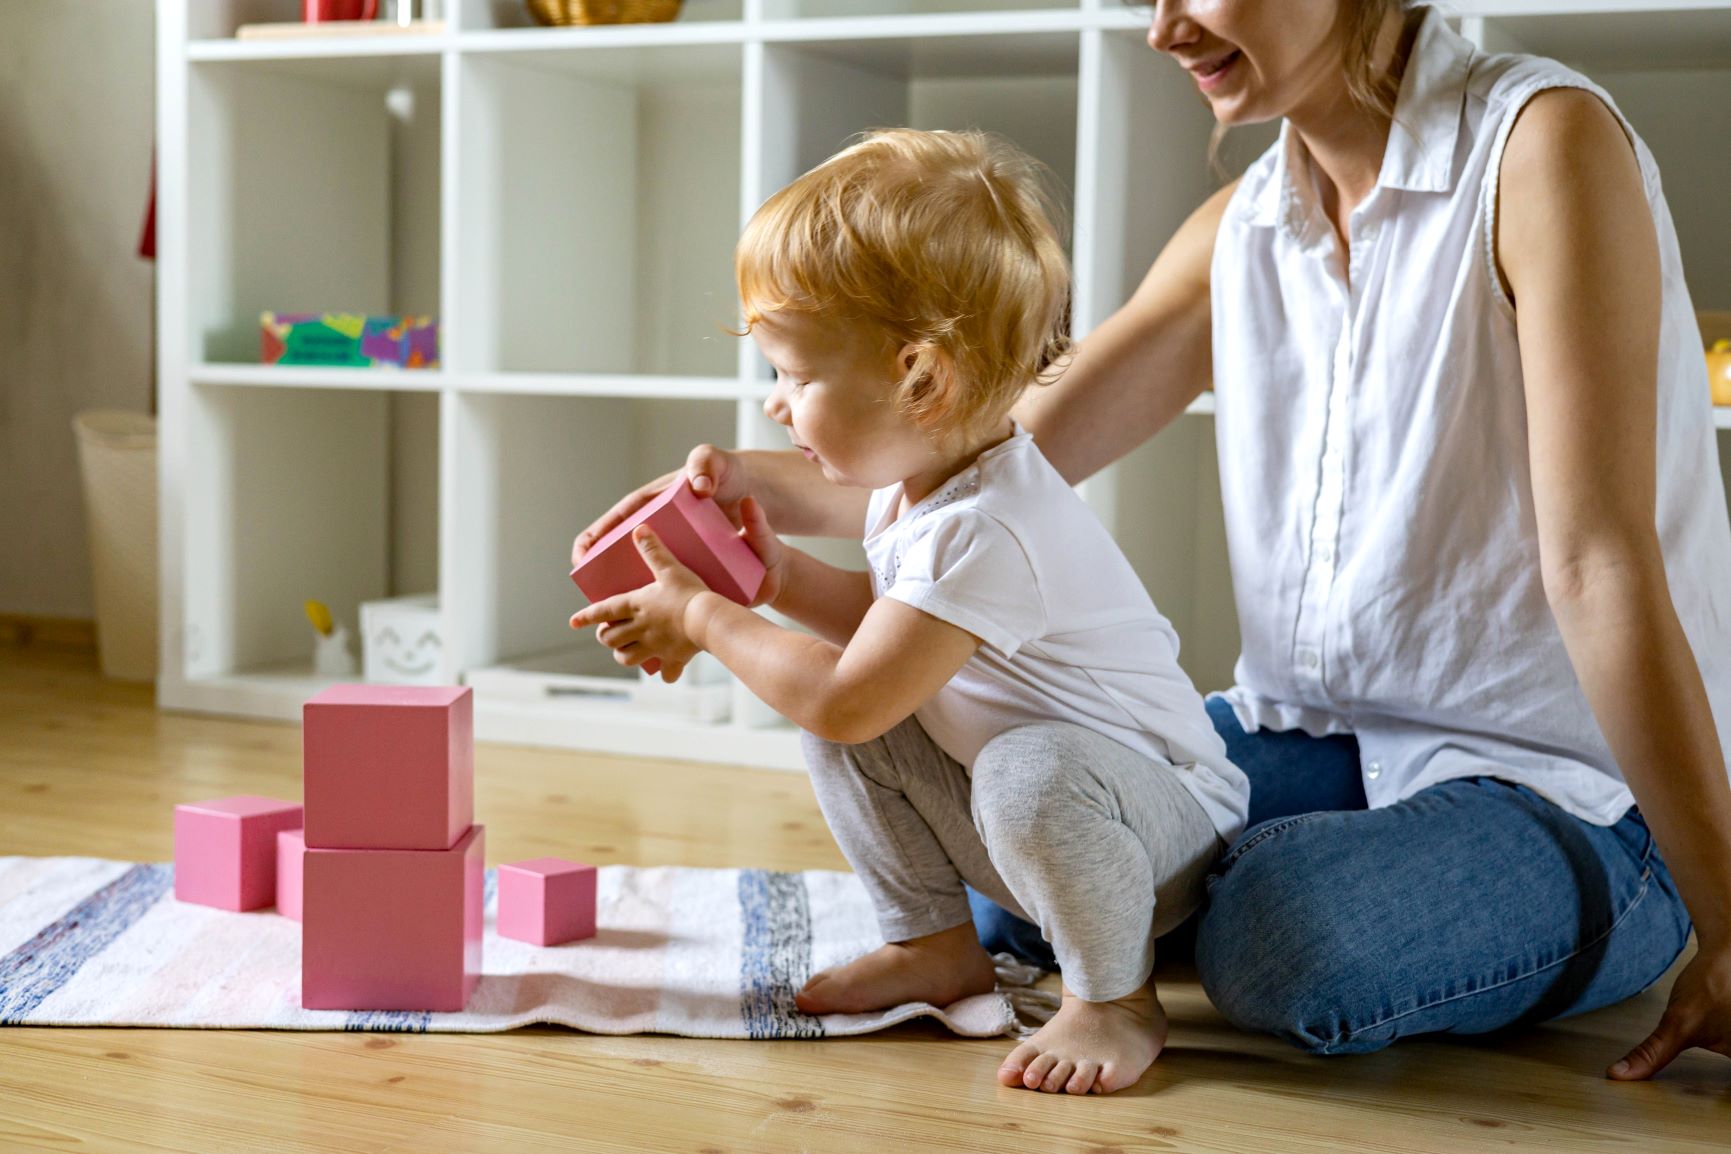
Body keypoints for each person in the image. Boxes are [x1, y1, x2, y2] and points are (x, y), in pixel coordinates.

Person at [576, 2, 1731, 1079]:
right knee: (1010, 877)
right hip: (1309, 733)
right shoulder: (1247, 225)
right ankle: (1194, 909)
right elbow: (980, 446)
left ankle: (1534, 898)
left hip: (1561, 783)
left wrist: (1729, 925)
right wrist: (728, 498)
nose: (1162, 27)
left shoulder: (1540, 147)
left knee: (1272, 938)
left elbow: (1598, 565)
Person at [569, 127, 1250, 1095]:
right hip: (1047, 822)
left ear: (920, 379)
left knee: (989, 758)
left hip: (1158, 839)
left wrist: (705, 619)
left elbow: (849, 694)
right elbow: (888, 640)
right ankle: (936, 947)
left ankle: (1115, 998)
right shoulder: (921, 488)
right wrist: (776, 581)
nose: (775, 406)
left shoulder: (990, 525)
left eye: (796, 376)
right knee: (886, 726)